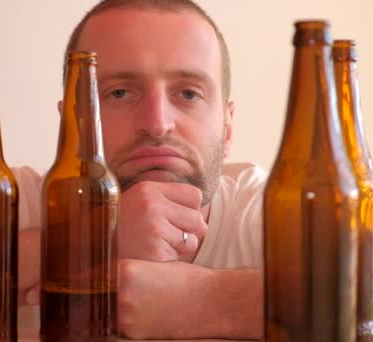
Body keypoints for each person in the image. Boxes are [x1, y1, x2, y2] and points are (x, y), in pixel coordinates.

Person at [15, 0, 267, 339]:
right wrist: (97, 239)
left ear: (228, 129)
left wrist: (206, 300)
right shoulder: (10, 201)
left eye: (189, 93)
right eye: (119, 92)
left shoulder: (267, 209)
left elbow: (364, 297)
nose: (157, 124)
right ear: (71, 125)